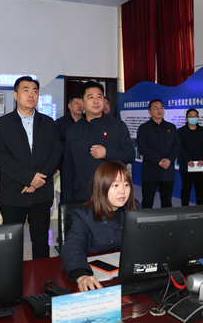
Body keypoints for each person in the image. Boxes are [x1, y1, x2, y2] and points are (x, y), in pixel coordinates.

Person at [0, 76, 62, 259]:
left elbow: (56, 153)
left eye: (35, 91)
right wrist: (29, 178)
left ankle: (42, 277)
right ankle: (11, 277)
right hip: (13, 195)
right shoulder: (2, 124)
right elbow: (1, 156)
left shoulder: (48, 123)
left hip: (41, 194)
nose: (31, 94)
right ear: (15, 95)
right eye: (26, 90)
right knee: (11, 245)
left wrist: (38, 179)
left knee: (41, 243)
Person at [60, 161, 139, 292]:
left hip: (128, 275)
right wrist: (82, 275)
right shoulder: (83, 216)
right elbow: (72, 247)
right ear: (102, 187)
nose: (122, 191)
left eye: (126, 184)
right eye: (115, 185)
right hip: (100, 279)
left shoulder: (135, 209)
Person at [63, 81, 135, 200]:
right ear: (82, 102)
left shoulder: (117, 125)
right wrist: (67, 199)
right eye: (91, 97)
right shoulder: (73, 130)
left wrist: (107, 153)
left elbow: (130, 155)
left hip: (111, 194)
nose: (96, 101)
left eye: (99, 97)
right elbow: (68, 168)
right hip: (82, 194)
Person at [136, 99, 179, 208]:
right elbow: (142, 148)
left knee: (167, 203)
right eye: (156, 108)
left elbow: (177, 145)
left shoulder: (171, 127)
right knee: (147, 202)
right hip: (150, 171)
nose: (159, 110)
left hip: (167, 170)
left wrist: (169, 160)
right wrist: (158, 161)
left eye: (161, 108)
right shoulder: (143, 128)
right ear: (149, 111)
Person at [177, 108, 203, 205]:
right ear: (186, 118)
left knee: (200, 189)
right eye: (191, 116)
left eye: (195, 116)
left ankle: (200, 208)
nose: (193, 118)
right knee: (186, 188)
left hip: (201, 165)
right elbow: (179, 147)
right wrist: (188, 160)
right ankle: (185, 209)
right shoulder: (180, 131)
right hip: (186, 165)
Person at [54, 94, 83, 200]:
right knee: (67, 195)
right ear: (69, 106)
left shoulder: (88, 122)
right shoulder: (60, 124)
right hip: (66, 166)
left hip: (84, 166)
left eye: (81, 103)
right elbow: (56, 146)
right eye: (76, 103)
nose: (79, 106)